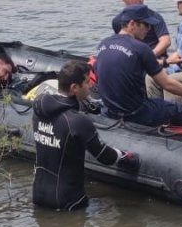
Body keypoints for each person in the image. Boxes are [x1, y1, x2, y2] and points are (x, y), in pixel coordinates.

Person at [32, 60, 139, 210]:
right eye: (87, 83)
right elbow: (104, 156)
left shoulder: (40, 110)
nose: (91, 86)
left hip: (39, 196)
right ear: (74, 87)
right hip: (69, 202)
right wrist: (125, 156)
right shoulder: (77, 121)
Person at [94, 4, 182, 128]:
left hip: (110, 112)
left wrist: (166, 62)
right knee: (175, 109)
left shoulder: (103, 45)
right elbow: (167, 84)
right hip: (135, 114)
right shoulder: (141, 48)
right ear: (132, 24)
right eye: (146, 24)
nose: (149, 29)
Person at [110, 0, 171, 97]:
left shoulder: (154, 16)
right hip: (132, 60)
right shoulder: (117, 21)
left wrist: (148, 57)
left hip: (154, 60)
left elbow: (166, 41)